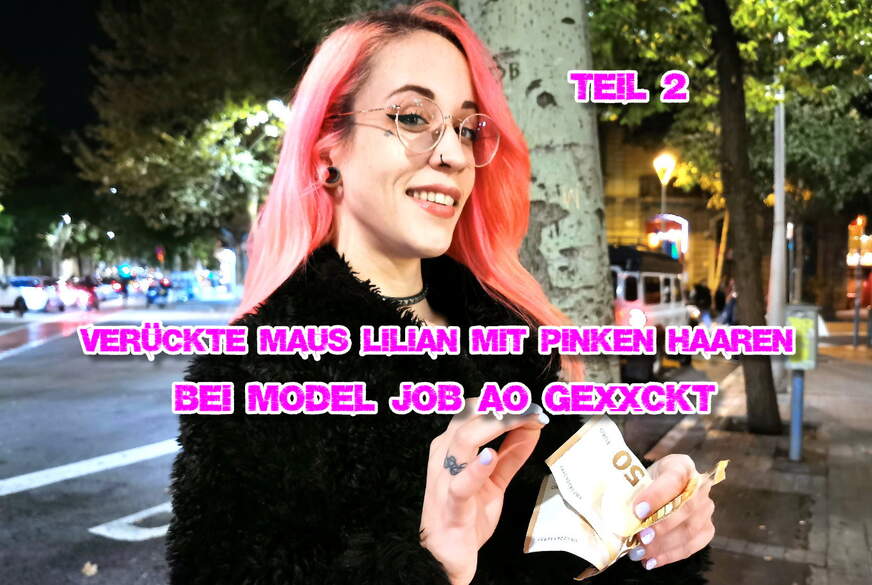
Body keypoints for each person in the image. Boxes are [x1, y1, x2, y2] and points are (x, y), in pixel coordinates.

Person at [165, 3, 715, 584]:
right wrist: (434, 566)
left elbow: (585, 538)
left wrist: (657, 516)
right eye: (411, 117)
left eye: (466, 127)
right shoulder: (252, 373)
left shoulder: (509, 338)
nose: (453, 154)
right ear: (330, 149)